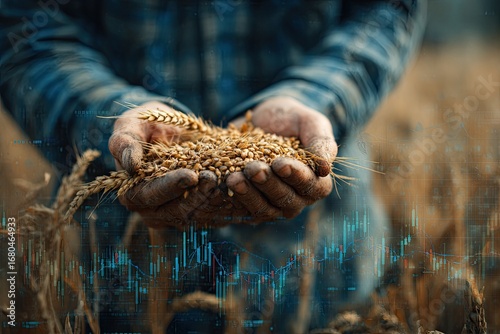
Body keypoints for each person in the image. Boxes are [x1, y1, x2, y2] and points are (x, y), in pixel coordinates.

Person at [0, 0, 426, 332]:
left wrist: (314, 97)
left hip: (320, 266)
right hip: (128, 279)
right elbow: (24, 28)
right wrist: (108, 115)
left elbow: (388, 9)